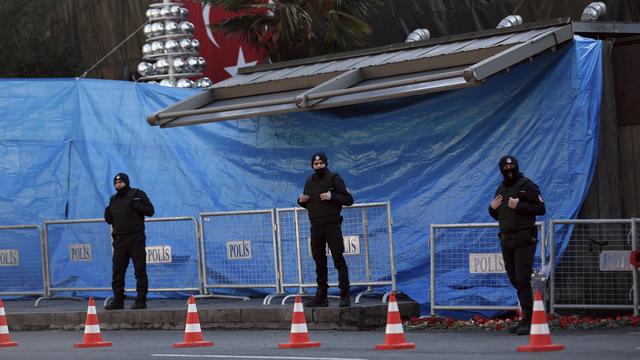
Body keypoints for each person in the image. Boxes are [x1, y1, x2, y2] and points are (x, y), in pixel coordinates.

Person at [489, 155, 545, 335]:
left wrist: (519, 205)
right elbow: (500, 215)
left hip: (524, 238)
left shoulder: (527, 185)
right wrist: (492, 209)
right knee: (514, 279)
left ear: (517, 166)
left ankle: (529, 320)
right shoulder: (500, 188)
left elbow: (540, 209)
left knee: (522, 279)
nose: (509, 169)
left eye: (512, 165)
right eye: (505, 167)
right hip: (506, 239)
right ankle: (527, 317)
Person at [298, 152, 354, 308]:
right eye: (315, 164)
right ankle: (321, 296)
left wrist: (332, 196)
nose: (318, 166)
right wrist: (300, 201)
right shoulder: (309, 181)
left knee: (338, 260)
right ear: (312, 165)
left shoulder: (335, 178)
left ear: (326, 164)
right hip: (316, 227)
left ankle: (344, 294)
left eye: (321, 163)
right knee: (319, 262)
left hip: (332, 226)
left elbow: (349, 200)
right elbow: (309, 203)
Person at [104, 173, 154, 310]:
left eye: (121, 181)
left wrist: (135, 205)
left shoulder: (137, 194)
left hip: (136, 238)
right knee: (117, 272)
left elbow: (150, 211)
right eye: (116, 182)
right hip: (119, 240)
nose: (118, 184)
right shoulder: (113, 199)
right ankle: (118, 300)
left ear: (126, 182)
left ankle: (141, 300)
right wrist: (107, 212)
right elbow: (110, 220)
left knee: (140, 271)